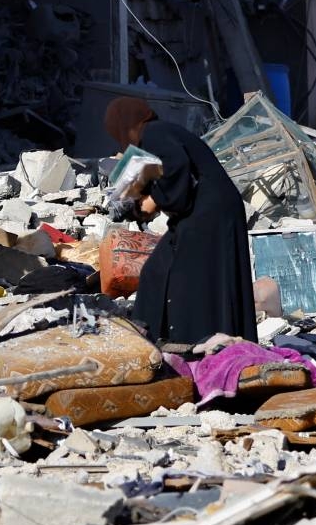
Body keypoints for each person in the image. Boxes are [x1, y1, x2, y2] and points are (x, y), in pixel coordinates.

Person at [103, 97, 257, 344]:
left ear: (126, 126)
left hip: (209, 212)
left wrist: (154, 199)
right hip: (207, 211)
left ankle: (196, 343)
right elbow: (165, 175)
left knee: (188, 277)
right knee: (160, 270)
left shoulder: (154, 133)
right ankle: (161, 339)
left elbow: (176, 167)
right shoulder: (157, 135)